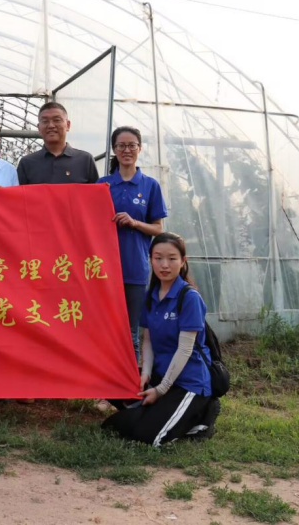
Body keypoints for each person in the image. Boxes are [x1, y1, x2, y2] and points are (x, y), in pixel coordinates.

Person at [102, 233, 221, 446]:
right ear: (150, 259)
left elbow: (185, 350)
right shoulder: (151, 295)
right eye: (158, 258)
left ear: (183, 261)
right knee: (112, 421)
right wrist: (145, 374)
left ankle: (202, 415)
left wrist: (160, 390)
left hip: (189, 383)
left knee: (149, 438)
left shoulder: (189, 298)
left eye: (172, 258)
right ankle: (157, 412)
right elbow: (148, 340)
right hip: (160, 376)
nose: (164, 265)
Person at [97, 127, 167, 364]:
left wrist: (135, 222)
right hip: (103, 269)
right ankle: (105, 381)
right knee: (105, 328)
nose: (126, 150)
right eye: (121, 146)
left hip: (135, 268)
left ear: (139, 148)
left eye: (131, 145)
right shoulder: (103, 185)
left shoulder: (150, 185)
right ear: (114, 150)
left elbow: (158, 228)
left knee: (131, 332)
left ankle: (131, 382)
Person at [16, 102, 99, 185]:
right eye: (45, 121)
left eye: (57, 120)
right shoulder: (27, 163)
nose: (51, 125)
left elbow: (96, 192)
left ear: (68, 125)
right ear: (39, 128)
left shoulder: (85, 160)